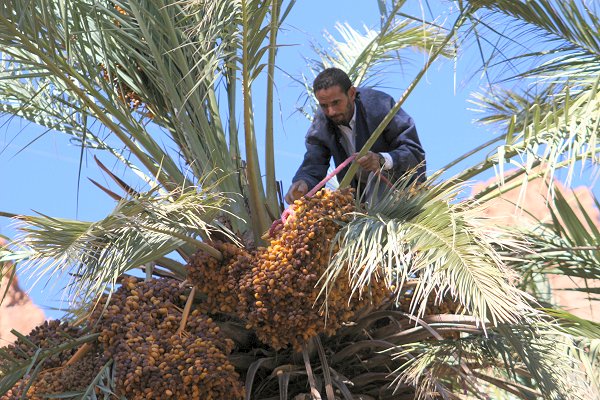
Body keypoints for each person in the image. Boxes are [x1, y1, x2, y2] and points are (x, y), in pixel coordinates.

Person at [284, 67, 426, 204]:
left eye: (336, 103)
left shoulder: (379, 105)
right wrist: (303, 182)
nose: (331, 111)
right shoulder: (323, 122)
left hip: (403, 194)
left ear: (352, 93)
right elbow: (313, 163)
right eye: (324, 105)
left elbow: (414, 153)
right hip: (360, 204)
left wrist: (381, 160)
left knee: (376, 179)